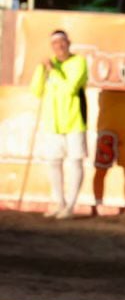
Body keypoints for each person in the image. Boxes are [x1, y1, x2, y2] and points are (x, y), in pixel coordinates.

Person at [30, 30, 88, 219]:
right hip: (52, 123)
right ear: (52, 46)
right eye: (55, 43)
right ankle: (59, 203)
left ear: (68, 43)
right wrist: (42, 70)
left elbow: (70, 89)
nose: (59, 46)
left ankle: (70, 205)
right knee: (54, 163)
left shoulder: (78, 62)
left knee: (75, 161)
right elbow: (36, 91)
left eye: (62, 42)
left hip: (74, 121)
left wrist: (54, 71)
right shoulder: (49, 66)